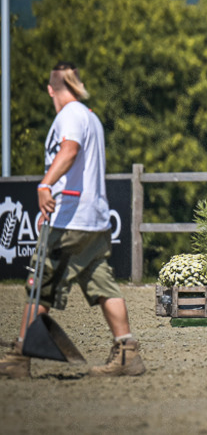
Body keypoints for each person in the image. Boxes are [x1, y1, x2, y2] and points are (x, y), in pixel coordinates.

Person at [0, 62, 145, 378]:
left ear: (51, 89)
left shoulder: (70, 116)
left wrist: (45, 184)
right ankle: (126, 351)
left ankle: (18, 357)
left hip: (70, 220)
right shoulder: (90, 117)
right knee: (103, 282)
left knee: (40, 287)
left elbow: (69, 150)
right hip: (93, 219)